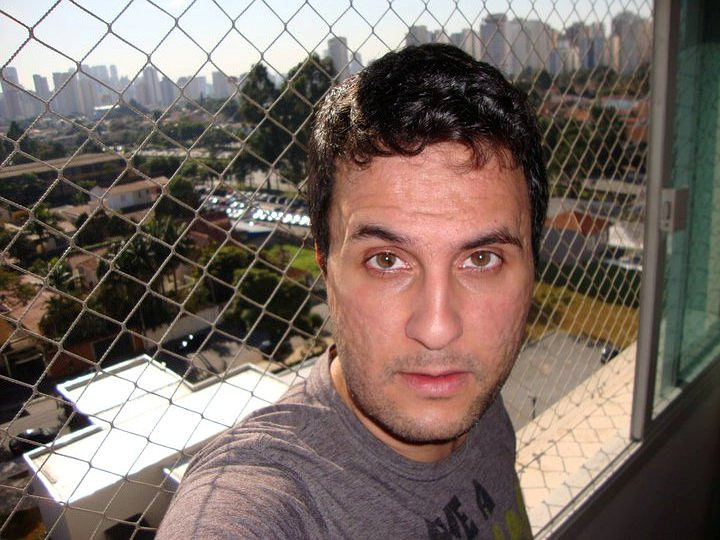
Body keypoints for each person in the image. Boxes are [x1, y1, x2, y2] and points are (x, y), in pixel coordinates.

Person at [157, 43, 547, 539]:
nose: (437, 330)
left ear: (531, 268)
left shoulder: (479, 400)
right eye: (387, 261)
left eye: (481, 259)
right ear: (326, 267)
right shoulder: (264, 502)